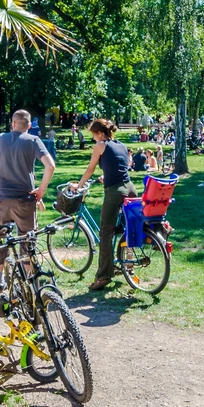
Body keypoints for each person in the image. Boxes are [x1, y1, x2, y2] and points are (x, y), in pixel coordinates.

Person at [0, 110, 56, 291]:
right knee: (27, 238)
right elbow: (50, 165)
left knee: (0, 237)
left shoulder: (0, 139)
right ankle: (27, 281)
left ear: (12, 123)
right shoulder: (33, 141)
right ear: (29, 126)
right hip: (25, 199)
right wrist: (42, 189)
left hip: (3, 199)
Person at [73, 118, 136, 291]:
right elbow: (120, 167)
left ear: (100, 133)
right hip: (130, 189)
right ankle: (127, 265)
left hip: (115, 192)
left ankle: (102, 277)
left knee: (105, 233)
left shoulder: (101, 146)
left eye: (94, 135)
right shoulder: (121, 145)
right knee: (128, 228)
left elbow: (90, 169)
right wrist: (106, 178)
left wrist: (78, 186)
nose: (93, 139)